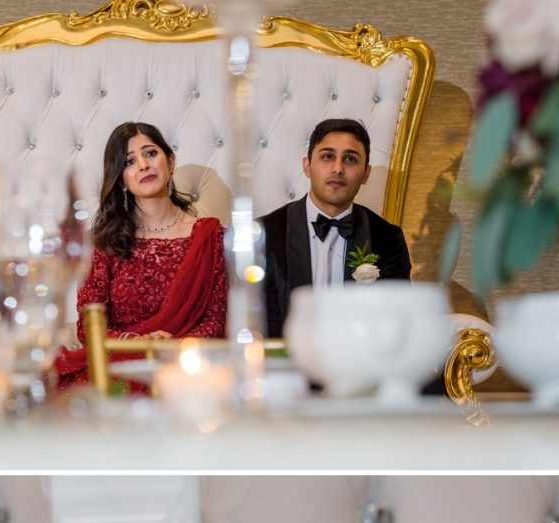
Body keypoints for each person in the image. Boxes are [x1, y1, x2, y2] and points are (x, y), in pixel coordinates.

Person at [57, 122, 227, 386]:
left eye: (150, 153)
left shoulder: (211, 237)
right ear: (121, 178)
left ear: (170, 163)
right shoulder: (105, 243)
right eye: (129, 161)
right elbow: (88, 328)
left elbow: (215, 322)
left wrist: (172, 346)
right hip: (121, 367)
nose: (143, 165)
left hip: (187, 367)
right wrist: (139, 343)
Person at [258, 118, 413, 339]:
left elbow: (396, 319)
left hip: (358, 365)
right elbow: (258, 324)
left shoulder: (387, 238)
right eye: (327, 156)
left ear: (366, 173)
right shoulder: (264, 234)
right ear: (307, 166)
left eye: (350, 159)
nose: (338, 168)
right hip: (286, 366)